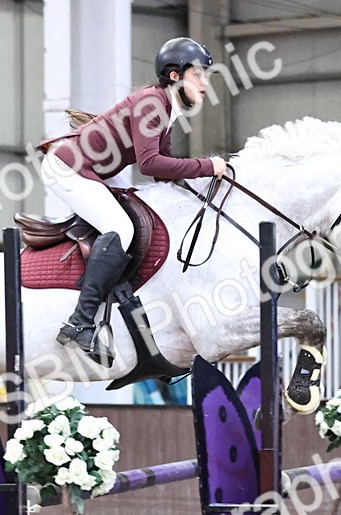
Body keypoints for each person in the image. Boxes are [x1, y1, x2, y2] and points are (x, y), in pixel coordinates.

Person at [37, 37, 228, 364]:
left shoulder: (167, 109)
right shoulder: (153, 104)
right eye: (199, 75)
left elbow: (161, 172)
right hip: (68, 166)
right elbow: (150, 164)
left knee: (137, 212)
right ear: (174, 76)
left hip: (93, 167)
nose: (205, 83)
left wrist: (204, 184)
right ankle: (80, 323)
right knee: (121, 228)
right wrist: (207, 166)